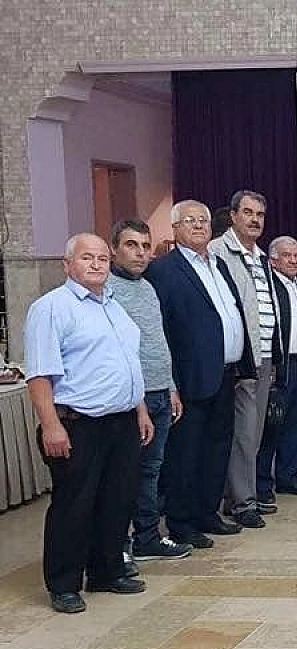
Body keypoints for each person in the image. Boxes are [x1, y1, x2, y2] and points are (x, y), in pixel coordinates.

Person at [26, 234, 154, 613]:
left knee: (117, 499)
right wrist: (51, 425)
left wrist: (140, 409)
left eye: (101, 258)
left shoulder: (112, 304)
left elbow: (128, 361)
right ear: (67, 265)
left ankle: (106, 570)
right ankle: (64, 583)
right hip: (77, 423)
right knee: (74, 505)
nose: (96, 264)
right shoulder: (52, 308)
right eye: (86, 258)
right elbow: (39, 374)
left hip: (121, 420)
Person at [145, 201, 254, 547]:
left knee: (217, 449)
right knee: (186, 454)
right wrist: (171, 383)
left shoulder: (217, 264)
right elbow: (161, 330)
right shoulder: (163, 271)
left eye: (203, 220)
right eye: (189, 220)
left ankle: (208, 512)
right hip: (190, 379)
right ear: (175, 228)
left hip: (225, 374)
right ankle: (181, 522)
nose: (198, 225)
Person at [106, 221, 191, 567]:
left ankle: (147, 538)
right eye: (131, 245)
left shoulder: (148, 288)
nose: (140, 253)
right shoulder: (106, 290)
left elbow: (158, 342)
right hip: (131, 399)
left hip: (160, 393)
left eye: (145, 245)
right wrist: (138, 398)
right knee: (124, 475)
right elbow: (118, 351)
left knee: (151, 472)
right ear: (114, 249)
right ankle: (117, 544)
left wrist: (171, 387)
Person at [211, 190, 276, 529]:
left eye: (260, 214)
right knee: (244, 434)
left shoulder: (260, 256)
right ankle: (242, 502)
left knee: (254, 432)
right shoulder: (217, 252)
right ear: (233, 215)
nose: (254, 220)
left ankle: (239, 494)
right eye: (248, 213)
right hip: (241, 359)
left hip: (264, 356)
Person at [257, 236, 297, 504]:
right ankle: (262, 484)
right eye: (287, 255)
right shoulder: (269, 288)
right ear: (273, 260)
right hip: (281, 366)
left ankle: (288, 477)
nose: (294, 260)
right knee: (271, 426)